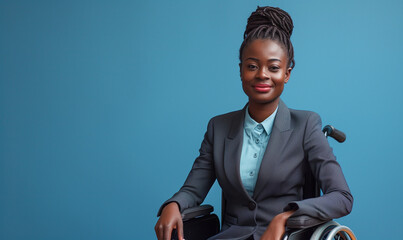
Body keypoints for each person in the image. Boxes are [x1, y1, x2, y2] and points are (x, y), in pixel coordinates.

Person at [155, 6, 353, 240]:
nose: (262, 74)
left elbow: (342, 197)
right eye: (252, 66)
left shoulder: (306, 124)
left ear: (287, 74)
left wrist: (285, 217)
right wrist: (174, 205)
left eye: (274, 67)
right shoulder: (218, 128)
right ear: (240, 71)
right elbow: (192, 190)